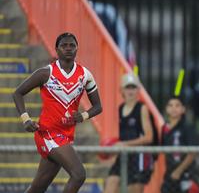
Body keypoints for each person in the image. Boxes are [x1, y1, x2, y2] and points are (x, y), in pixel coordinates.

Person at [12, 32, 103, 193]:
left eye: (72, 45)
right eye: (64, 45)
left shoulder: (85, 75)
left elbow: (98, 107)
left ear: (77, 49)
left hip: (66, 135)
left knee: (38, 188)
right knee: (79, 174)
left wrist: (83, 116)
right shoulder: (46, 73)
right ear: (56, 49)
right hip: (48, 133)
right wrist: (26, 119)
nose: (68, 48)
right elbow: (18, 93)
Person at [104, 73, 155, 193]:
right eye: (128, 87)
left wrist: (124, 144)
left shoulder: (142, 108)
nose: (130, 90)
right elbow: (124, 136)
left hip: (139, 157)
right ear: (121, 90)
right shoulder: (121, 108)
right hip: (124, 154)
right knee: (110, 185)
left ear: (138, 90)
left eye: (133, 87)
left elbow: (149, 137)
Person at [161, 96, 197, 193]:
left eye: (177, 105)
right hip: (169, 174)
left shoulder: (187, 127)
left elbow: (192, 153)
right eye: (170, 105)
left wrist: (178, 171)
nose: (173, 108)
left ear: (183, 109)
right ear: (166, 109)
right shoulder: (164, 128)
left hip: (185, 174)